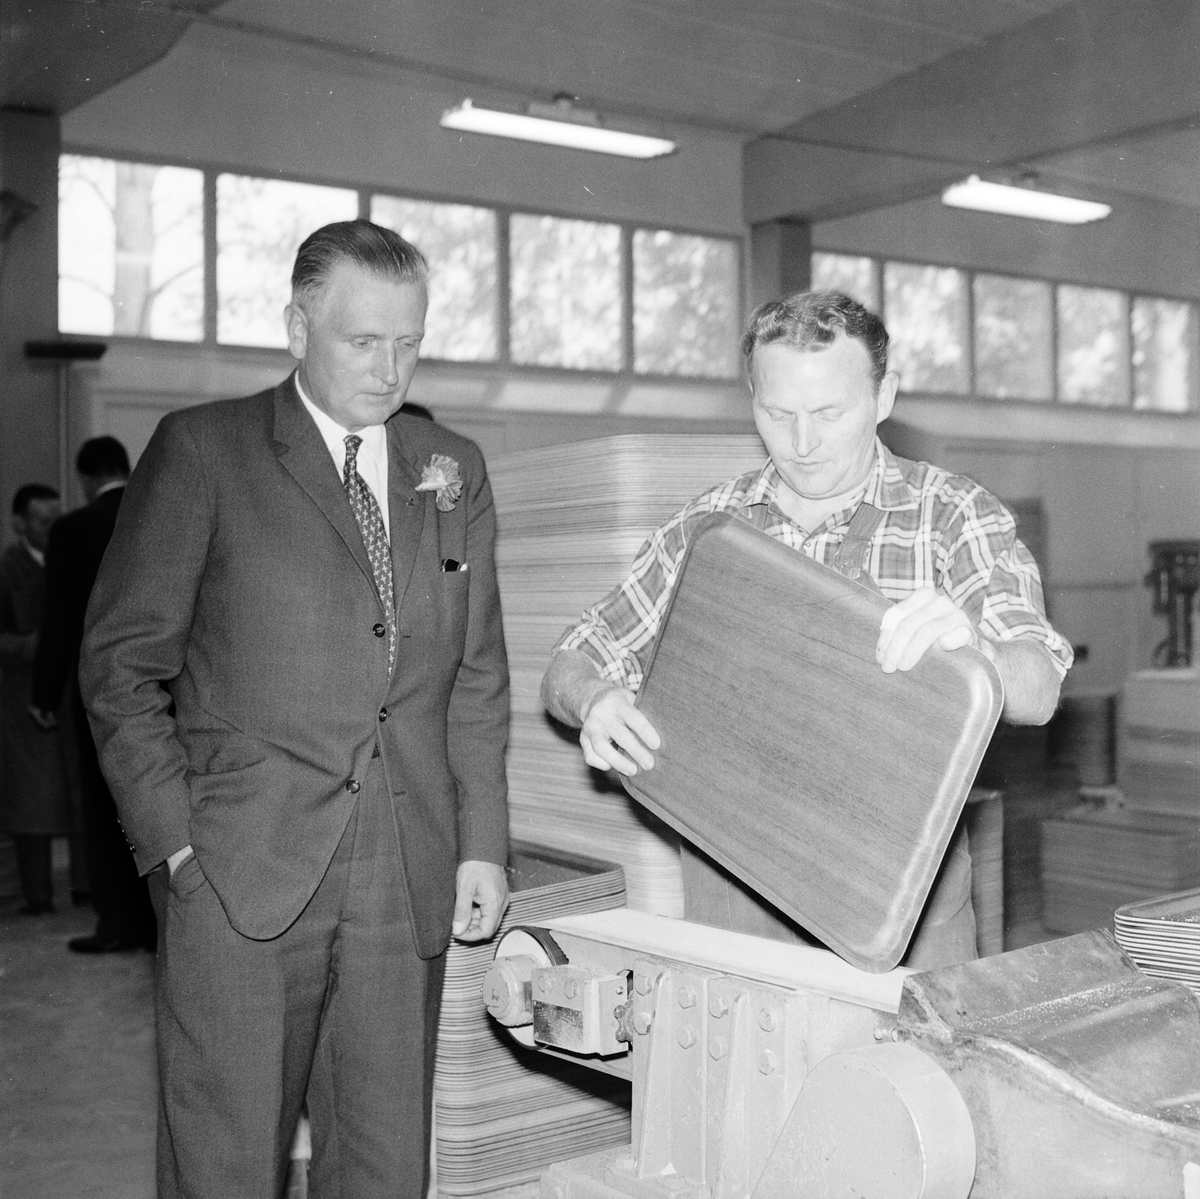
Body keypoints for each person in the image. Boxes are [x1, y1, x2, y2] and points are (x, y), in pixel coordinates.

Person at [80, 219, 511, 1199]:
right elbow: (119, 663)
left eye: (410, 341)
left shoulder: (451, 467)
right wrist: (177, 845)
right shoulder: (204, 451)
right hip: (240, 871)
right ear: (295, 326)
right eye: (364, 341)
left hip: (405, 871)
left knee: (385, 1162)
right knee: (224, 1162)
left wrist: (481, 839)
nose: (390, 366)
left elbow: (475, 670)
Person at [541, 290, 1073, 970]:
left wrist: (978, 650)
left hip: (900, 917)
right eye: (777, 412)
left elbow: (1040, 685)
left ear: (885, 397)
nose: (802, 443)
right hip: (732, 912)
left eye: (829, 412)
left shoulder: (951, 515)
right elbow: (574, 656)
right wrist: (594, 699)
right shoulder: (711, 529)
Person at [29, 438, 156, 953]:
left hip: (99, 689)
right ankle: (155, 925)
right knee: (153, 800)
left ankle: (118, 926)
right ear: (126, 468)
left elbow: (59, 620)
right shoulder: (158, 513)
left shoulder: (73, 529)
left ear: (84, 476)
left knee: (106, 809)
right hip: (164, 685)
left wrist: (44, 692)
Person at [0, 483, 76, 914]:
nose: (53, 529)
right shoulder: (6, 569)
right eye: (44, 521)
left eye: (57, 520)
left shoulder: (70, 559)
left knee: (79, 800)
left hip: (68, 698)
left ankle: (86, 890)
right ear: (19, 524)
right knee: (33, 804)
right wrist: (40, 645)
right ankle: (38, 895)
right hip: (23, 702)